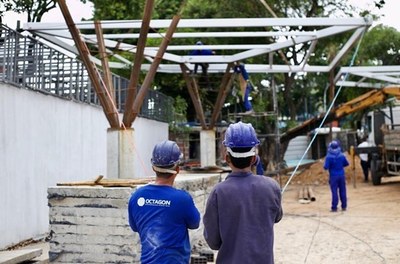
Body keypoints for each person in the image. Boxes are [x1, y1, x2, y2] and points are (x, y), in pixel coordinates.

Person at [203, 121, 283, 263]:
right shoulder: (272, 187)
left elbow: (213, 242)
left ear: (227, 158)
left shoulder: (218, 193)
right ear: (253, 159)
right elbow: (276, 217)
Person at [128, 140, 201, 264]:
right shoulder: (182, 199)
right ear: (177, 169)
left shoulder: (137, 196)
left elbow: (135, 227)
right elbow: (195, 224)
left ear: (153, 167)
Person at [323, 140, 349, 212]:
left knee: (334, 192)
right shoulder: (341, 155)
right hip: (341, 175)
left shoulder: (329, 157)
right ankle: (344, 206)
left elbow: (325, 167)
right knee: (343, 191)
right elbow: (346, 164)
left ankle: (334, 207)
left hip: (333, 176)